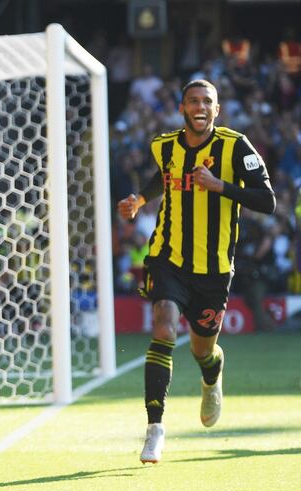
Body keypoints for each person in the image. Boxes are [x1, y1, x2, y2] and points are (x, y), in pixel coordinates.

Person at [117, 79, 276, 464]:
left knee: (202, 348)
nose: (200, 106)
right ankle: (155, 430)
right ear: (182, 107)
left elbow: (267, 201)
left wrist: (221, 186)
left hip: (213, 269)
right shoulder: (164, 145)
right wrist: (140, 199)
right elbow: (164, 176)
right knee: (163, 326)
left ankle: (211, 374)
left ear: (216, 110)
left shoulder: (236, 146)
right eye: (193, 101)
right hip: (167, 257)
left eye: (207, 101)